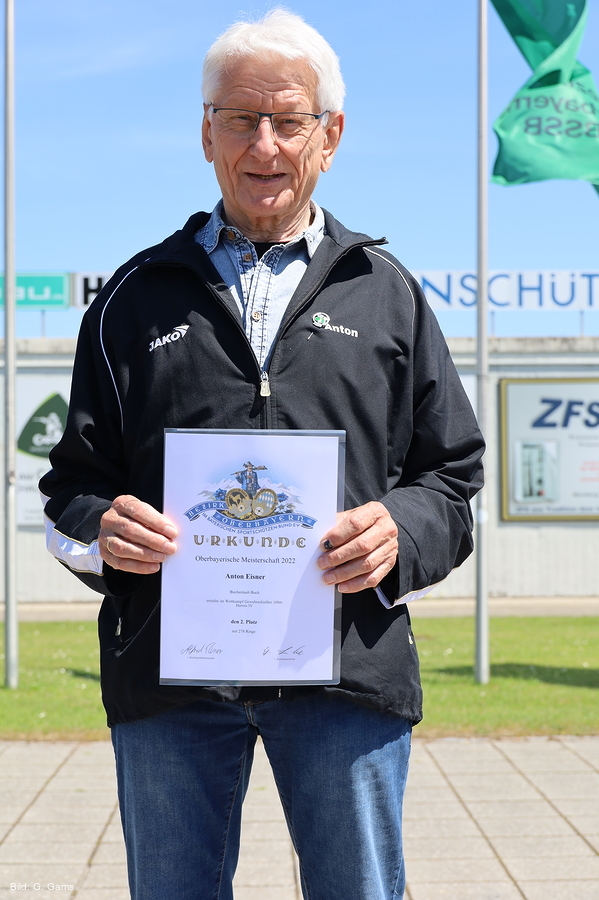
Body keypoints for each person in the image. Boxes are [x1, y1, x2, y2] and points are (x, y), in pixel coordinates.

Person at [40, 10, 484, 900]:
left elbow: (450, 481)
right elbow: (73, 490)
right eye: (241, 119)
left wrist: (398, 531)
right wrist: (101, 534)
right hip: (169, 681)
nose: (265, 144)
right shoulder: (132, 297)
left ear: (331, 135)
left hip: (345, 676)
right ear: (206, 132)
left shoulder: (388, 294)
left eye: (289, 119)